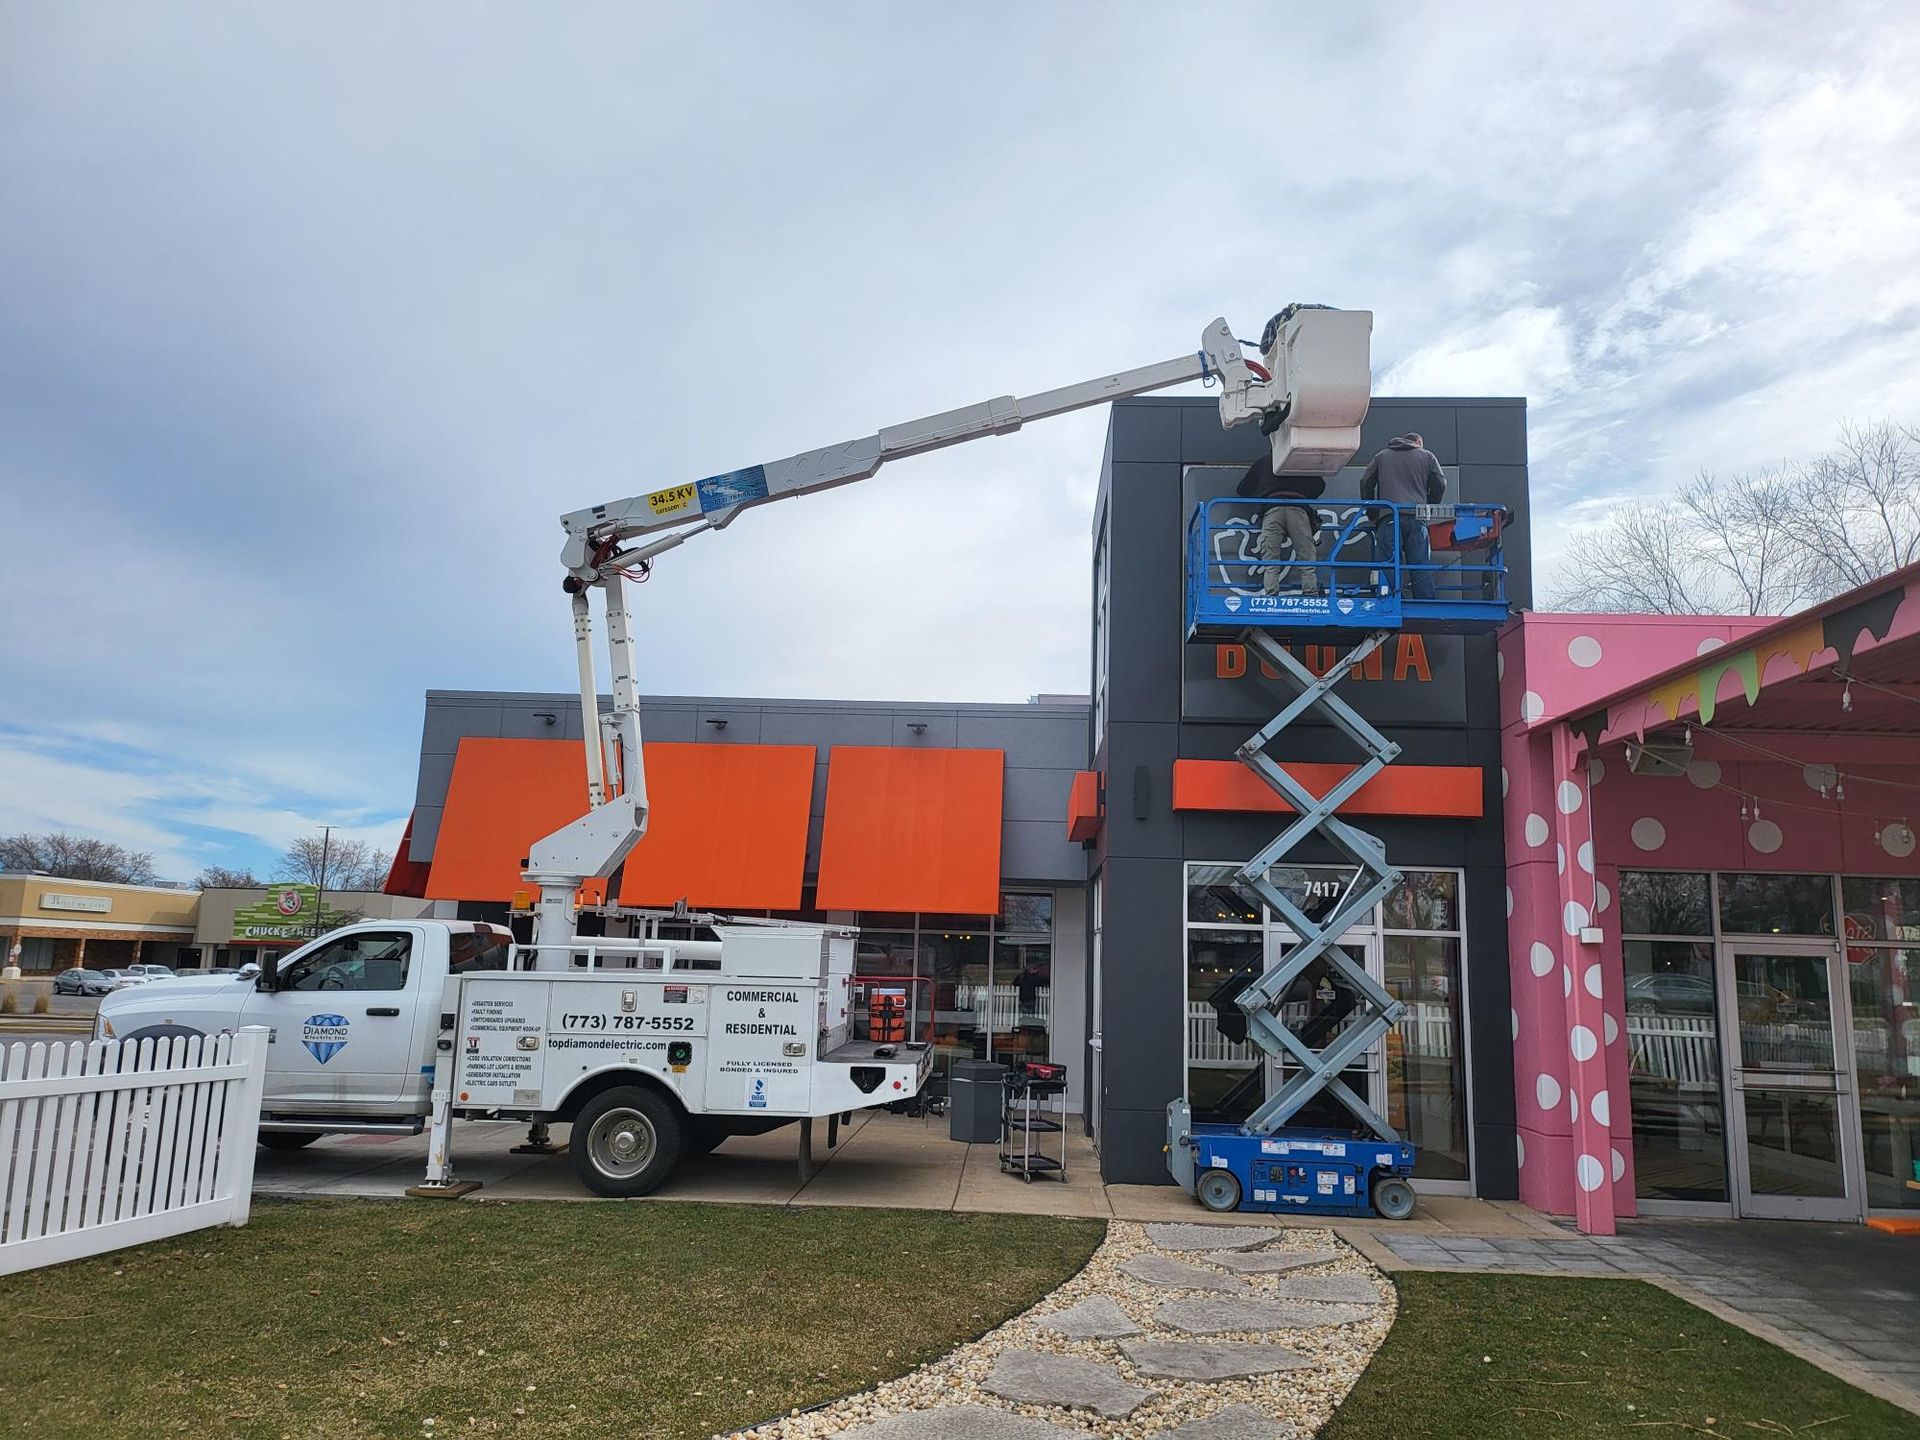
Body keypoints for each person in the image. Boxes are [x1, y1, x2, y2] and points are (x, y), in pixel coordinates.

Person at [1360, 432, 1447, 599]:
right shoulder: (1427, 456)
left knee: (1390, 563)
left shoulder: (1382, 456)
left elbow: (1366, 481)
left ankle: (1391, 601)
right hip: (1416, 517)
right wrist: (1428, 505)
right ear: (1418, 443)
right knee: (1420, 564)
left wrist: (1372, 511)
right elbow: (1440, 483)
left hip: (1389, 516)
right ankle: (1425, 604)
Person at [1235, 458, 1326, 596]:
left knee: (1270, 559)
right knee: (1306, 557)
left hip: (1272, 509)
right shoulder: (1301, 461)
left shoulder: (1264, 462)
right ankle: (1310, 595)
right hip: (1298, 509)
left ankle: (1271, 595)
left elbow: (1242, 489)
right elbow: (1319, 487)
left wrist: (1263, 490)